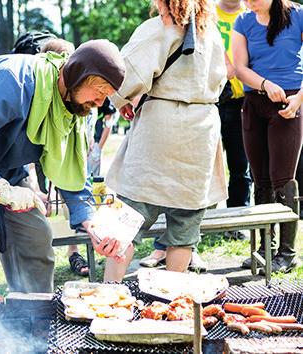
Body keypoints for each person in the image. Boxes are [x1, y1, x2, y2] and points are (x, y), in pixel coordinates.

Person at [0, 39, 125, 325]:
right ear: (78, 74)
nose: (100, 103)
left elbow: (72, 166)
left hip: (7, 172)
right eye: (100, 91)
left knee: (36, 237)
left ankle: (31, 329)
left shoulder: (72, 107)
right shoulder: (14, 81)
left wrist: (90, 223)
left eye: (107, 95)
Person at [96, 0, 227, 282]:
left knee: (125, 222)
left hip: (160, 129)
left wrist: (121, 101)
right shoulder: (211, 33)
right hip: (201, 131)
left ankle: (110, 292)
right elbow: (220, 81)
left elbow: (123, 73)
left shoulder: (156, 29)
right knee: (184, 229)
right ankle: (171, 303)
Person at [12, 32, 91, 277]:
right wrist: (34, 187)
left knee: (63, 202)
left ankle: (73, 250)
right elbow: (21, 153)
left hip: (53, 162)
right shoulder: (25, 89)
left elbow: (74, 166)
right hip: (8, 174)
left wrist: (87, 216)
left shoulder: (74, 102)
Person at [232, 0, 303, 273]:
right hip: (254, 104)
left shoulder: (298, 16)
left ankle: (287, 253)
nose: (248, 1)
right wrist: (264, 84)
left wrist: (298, 101)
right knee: (260, 178)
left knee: (284, 180)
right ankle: (265, 249)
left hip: (289, 104)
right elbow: (240, 67)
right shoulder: (243, 21)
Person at [216, 0, 252, 242]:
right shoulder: (208, 15)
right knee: (204, 166)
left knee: (241, 166)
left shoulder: (251, 15)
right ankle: (198, 224)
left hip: (242, 100)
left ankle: (236, 222)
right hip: (210, 101)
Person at [87, 97, 116, 176]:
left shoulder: (106, 99)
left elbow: (108, 124)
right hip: (83, 141)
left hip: (96, 142)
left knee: (93, 177)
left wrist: (99, 147)